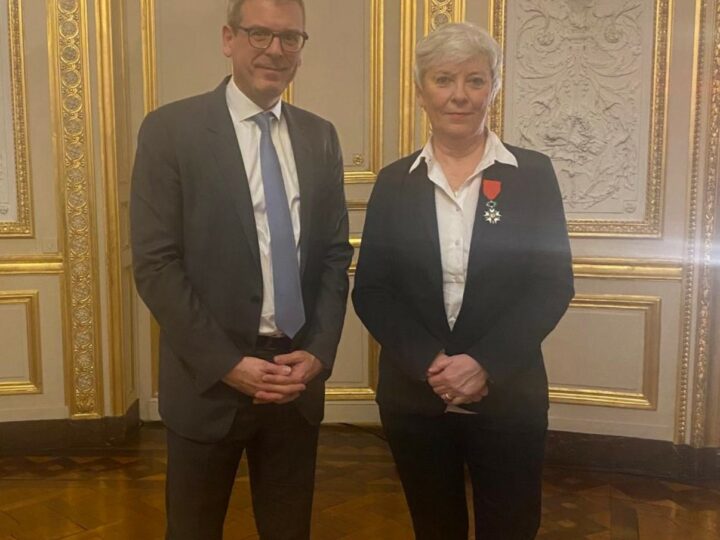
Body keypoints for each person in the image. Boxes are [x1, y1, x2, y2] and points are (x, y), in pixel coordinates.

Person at [130, 0, 353, 538]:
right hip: (208, 383)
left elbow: (333, 256)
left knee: (288, 529)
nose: (275, 50)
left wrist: (319, 353)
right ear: (229, 38)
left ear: (301, 49)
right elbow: (156, 265)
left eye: (290, 38)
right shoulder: (170, 131)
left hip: (295, 382)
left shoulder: (320, 136)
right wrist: (228, 362)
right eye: (260, 34)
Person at [352, 22, 574, 540]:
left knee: (512, 524)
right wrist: (432, 363)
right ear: (421, 90)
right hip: (415, 395)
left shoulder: (532, 174)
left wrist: (483, 364)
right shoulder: (393, 182)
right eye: (443, 79)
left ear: (493, 87)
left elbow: (550, 283)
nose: (458, 95)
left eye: (475, 80)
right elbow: (373, 289)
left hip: (508, 393)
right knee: (434, 525)